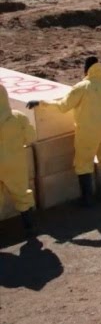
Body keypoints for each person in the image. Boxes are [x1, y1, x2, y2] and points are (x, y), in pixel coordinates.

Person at [27, 56, 101, 207]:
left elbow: (63, 105)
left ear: (86, 69)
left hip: (88, 131)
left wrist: (41, 103)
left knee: (83, 162)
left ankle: (87, 199)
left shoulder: (82, 87)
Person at [0, 85, 38, 238]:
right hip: (15, 164)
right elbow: (31, 137)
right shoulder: (18, 117)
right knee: (22, 194)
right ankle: (29, 228)